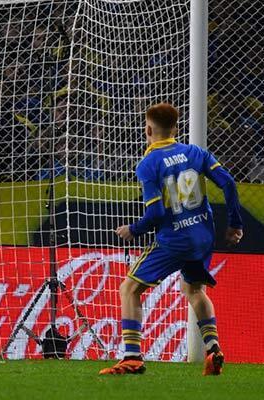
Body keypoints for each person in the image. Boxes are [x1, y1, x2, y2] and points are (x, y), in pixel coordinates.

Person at [100, 103, 243, 376]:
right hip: (203, 235)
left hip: (174, 240)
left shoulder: (148, 164)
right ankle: (214, 349)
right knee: (194, 290)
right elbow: (228, 184)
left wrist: (134, 229)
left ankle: (132, 356)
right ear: (175, 129)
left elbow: (155, 212)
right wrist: (235, 223)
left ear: (148, 129)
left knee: (129, 289)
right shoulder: (195, 152)